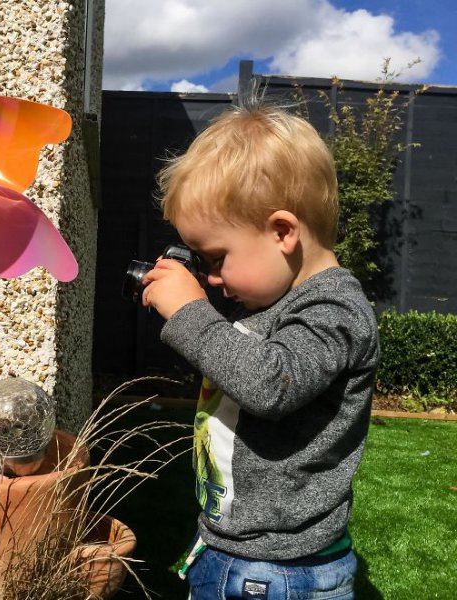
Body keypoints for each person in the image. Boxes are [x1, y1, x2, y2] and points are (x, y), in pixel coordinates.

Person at [141, 102, 379, 600]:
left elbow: (271, 385)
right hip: (240, 552)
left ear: (282, 232)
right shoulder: (277, 300)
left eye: (217, 257)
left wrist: (189, 312)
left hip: (277, 572)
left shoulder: (335, 309)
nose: (210, 277)